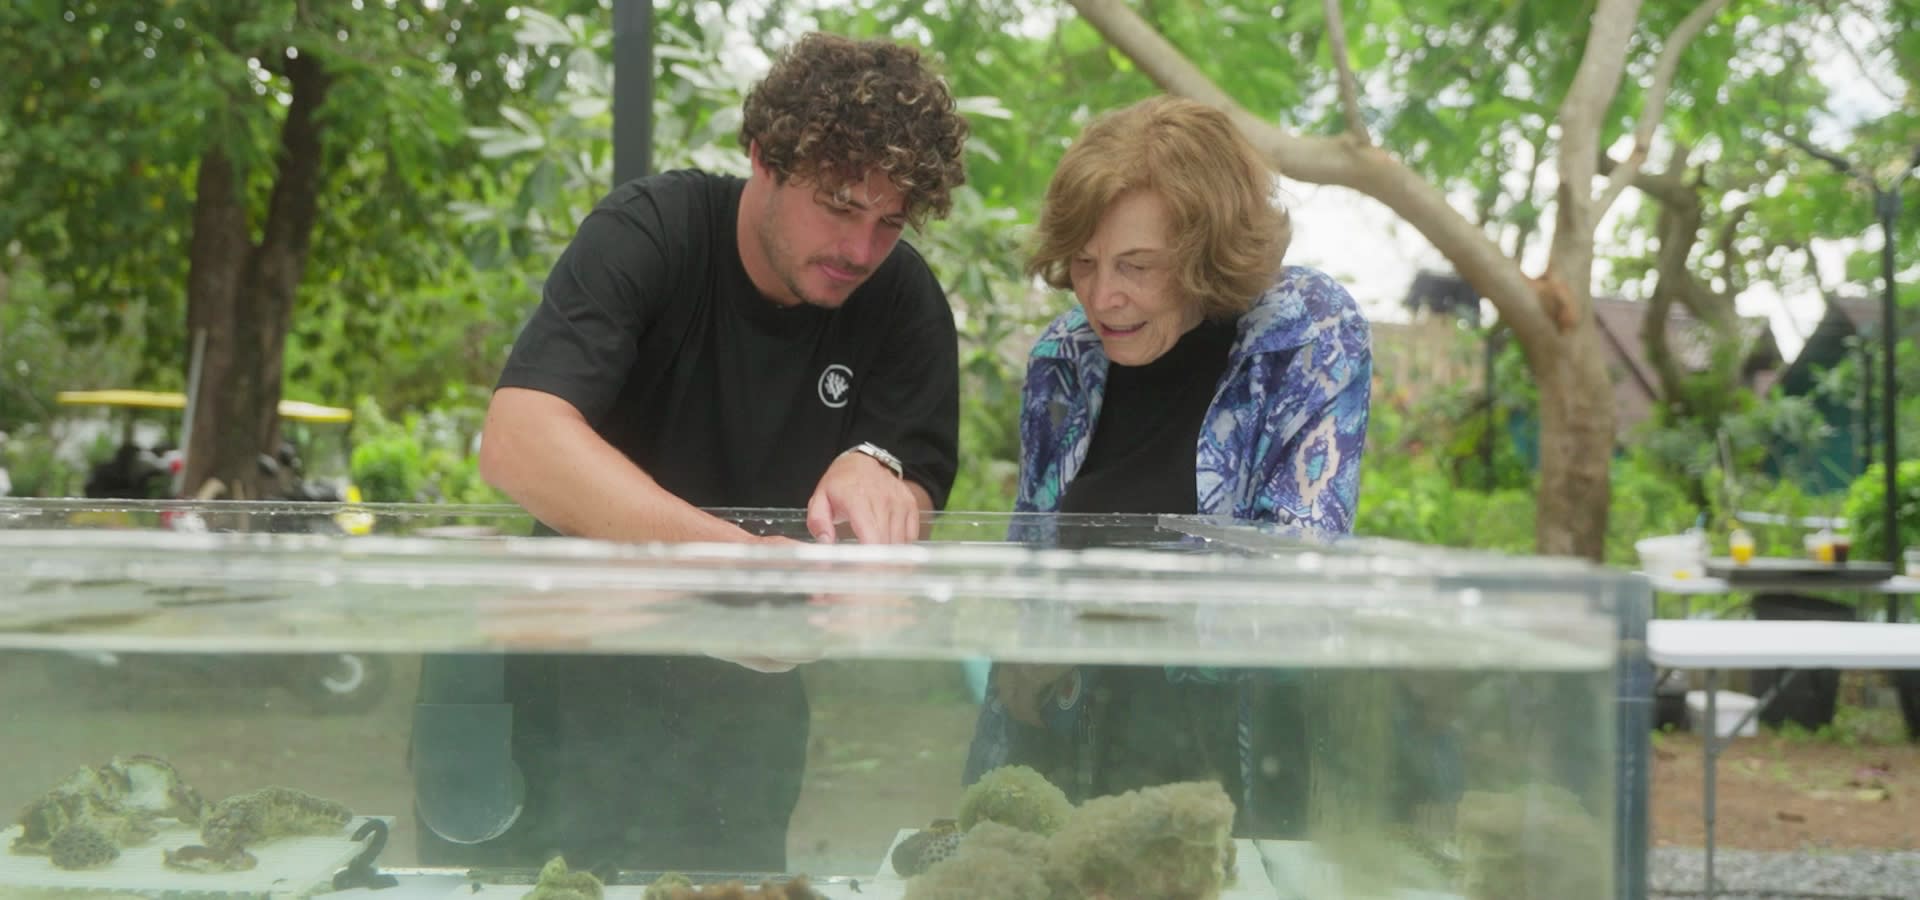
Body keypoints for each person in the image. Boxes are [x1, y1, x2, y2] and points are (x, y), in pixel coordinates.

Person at [411, 31, 970, 874]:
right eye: (840, 205)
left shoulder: (903, 301)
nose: (862, 249)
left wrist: (881, 469)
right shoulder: (653, 232)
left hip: (748, 717)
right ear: (763, 159)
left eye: (890, 222)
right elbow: (520, 439)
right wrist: (730, 563)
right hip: (565, 684)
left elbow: (914, 482)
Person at [962, 95, 1373, 835]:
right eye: (1084, 264)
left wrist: (1076, 622)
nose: (1102, 296)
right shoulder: (1064, 357)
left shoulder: (1305, 333)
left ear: (1208, 252)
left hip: (1225, 778)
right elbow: (1027, 565)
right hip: (1065, 760)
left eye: (1137, 266)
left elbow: (1297, 567)